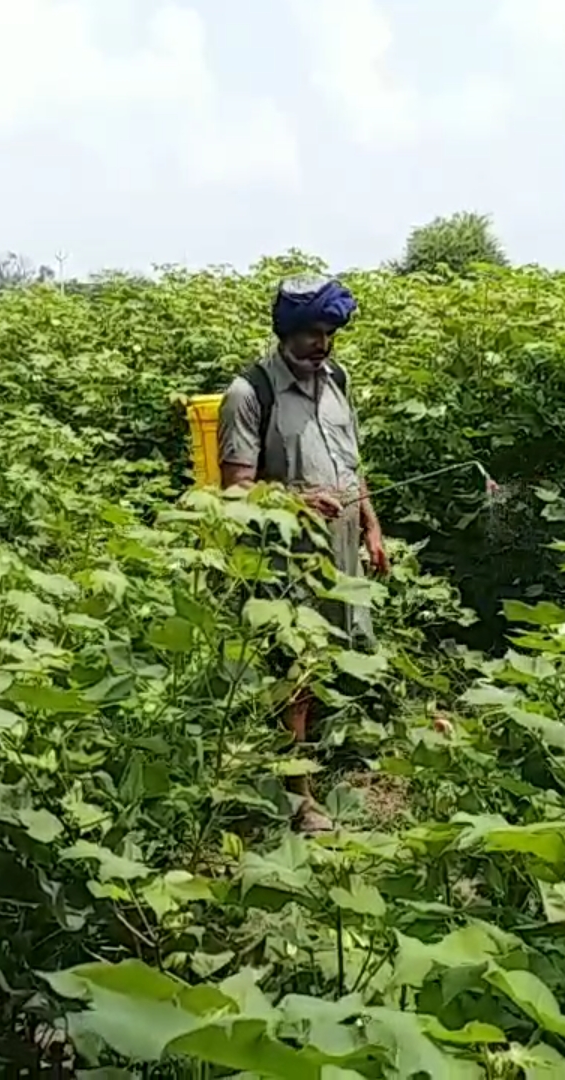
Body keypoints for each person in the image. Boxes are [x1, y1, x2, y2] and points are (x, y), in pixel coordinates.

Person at [218, 276, 387, 833]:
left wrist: (371, 526)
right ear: (286, 333)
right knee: (295, 670)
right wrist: (293, 499)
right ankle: (299, 798)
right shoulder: (249, 394)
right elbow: (236, 491)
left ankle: (305, 764)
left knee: (333, 658)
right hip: (285, 555)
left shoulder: (337, 380)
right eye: (312, 333)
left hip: (340, 553)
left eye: (330, 332)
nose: (323, 343)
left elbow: (350, 464)